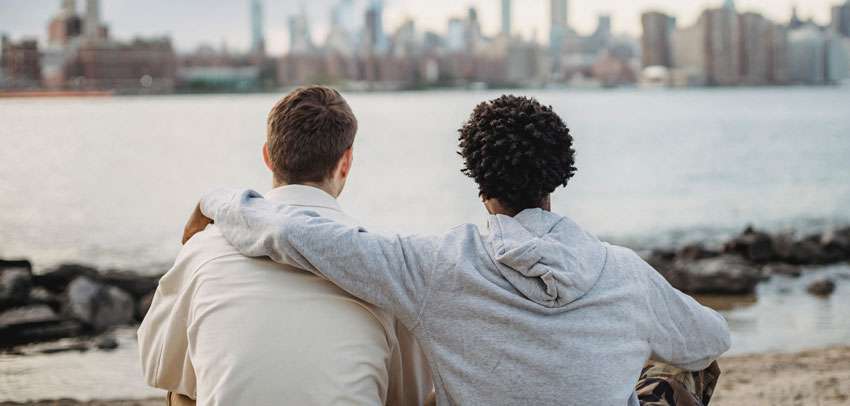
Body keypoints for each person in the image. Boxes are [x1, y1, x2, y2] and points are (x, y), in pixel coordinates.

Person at [189, 94, 731, 406]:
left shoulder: (431, 266)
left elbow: (295, 234)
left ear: (476, 176)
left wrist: (216, 201)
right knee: (687, 369)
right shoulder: (624, 272)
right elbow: (710, 340)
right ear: (559, 175)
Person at [138, 86, 432, 406]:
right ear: (345, 162)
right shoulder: (385, 267)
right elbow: (407, 398)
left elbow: (156, 364)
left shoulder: (205, 249)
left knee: (180, 390)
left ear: (267, 156)